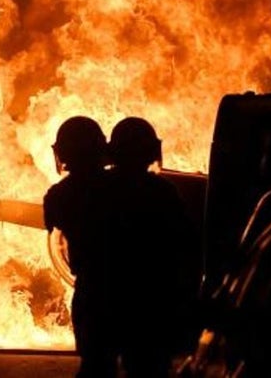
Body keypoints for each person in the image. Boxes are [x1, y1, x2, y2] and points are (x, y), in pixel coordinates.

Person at [105, 116, 197, 378]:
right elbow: (184, 243)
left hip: (109, 296)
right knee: (148, 368)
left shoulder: (99, 189)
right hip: (152, 300)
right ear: (151, 152)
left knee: (99, 365)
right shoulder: (163, 191)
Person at [43, 115, 116, 378]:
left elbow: (55, 225)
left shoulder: (58, 195)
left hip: (91, 290)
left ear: (63, 153)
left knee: (96, 365)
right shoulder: (123, 186)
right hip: (133, 287)